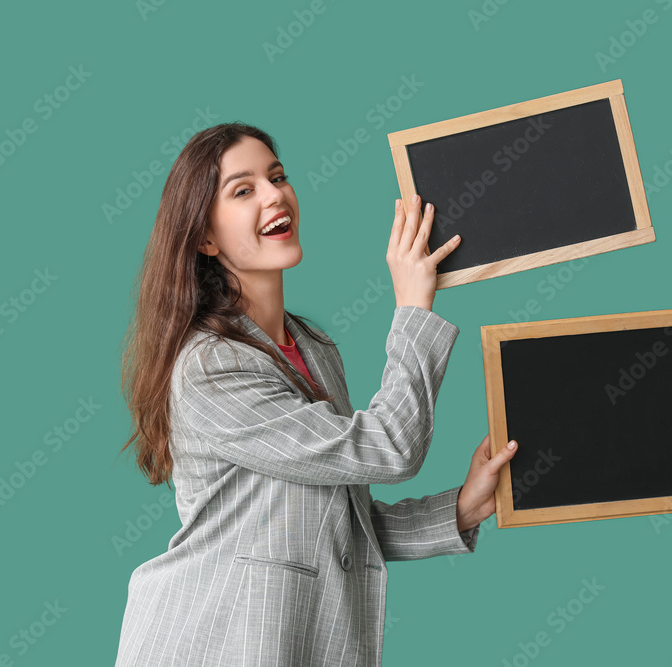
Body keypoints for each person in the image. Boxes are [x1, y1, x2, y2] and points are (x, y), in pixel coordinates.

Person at [114, 121, 519, 666]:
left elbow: (335, 524)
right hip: (215, 644)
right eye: (243, 189)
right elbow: (390, 448)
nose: (274, 193)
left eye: (277, 177)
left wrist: (461, 510)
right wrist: (414, 309)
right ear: (205, 238)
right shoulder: (210, 367)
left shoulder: (313, 347)